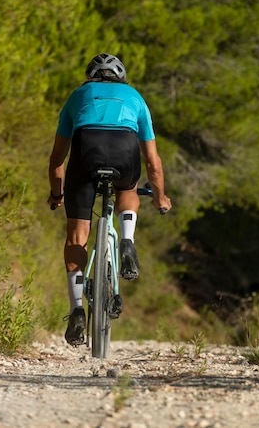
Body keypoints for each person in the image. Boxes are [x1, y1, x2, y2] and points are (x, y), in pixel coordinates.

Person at [47, 53, 172, 347]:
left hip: (85, 151)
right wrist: (160, 197)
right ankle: (127, 240)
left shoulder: (78, 95)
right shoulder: (135, 97)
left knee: (76, 238)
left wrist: (57, 193)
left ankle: (77, 309)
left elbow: (56, 159)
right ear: (121, 77)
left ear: (90, 76)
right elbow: (153, 161)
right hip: (124, 151)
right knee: (127, 190)